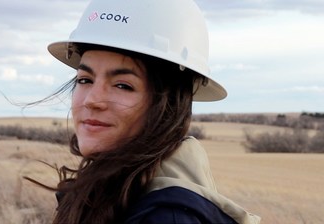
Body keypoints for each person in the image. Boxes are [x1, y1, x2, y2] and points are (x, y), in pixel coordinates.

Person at [46, 0, 261, 223]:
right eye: (85, 79)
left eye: (123, 85)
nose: (92, 100)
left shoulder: (167, 218)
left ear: (167, 105)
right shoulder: (113, 192)